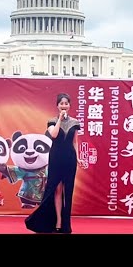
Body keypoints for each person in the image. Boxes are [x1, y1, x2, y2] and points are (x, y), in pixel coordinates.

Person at [25, 93, 83, 234]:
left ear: (69, 105)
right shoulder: (51, 121)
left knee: (67, 190)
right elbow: (54, 135)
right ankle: (57, 221)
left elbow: (75, 142)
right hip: (56, 158)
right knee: (56, 189)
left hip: (69, 158)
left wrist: (78, 157)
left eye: (66, 103)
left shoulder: (75, 122)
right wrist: (59, 120)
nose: (64, 105)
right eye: (61, 103)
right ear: (57, 106)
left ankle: (65, 225)